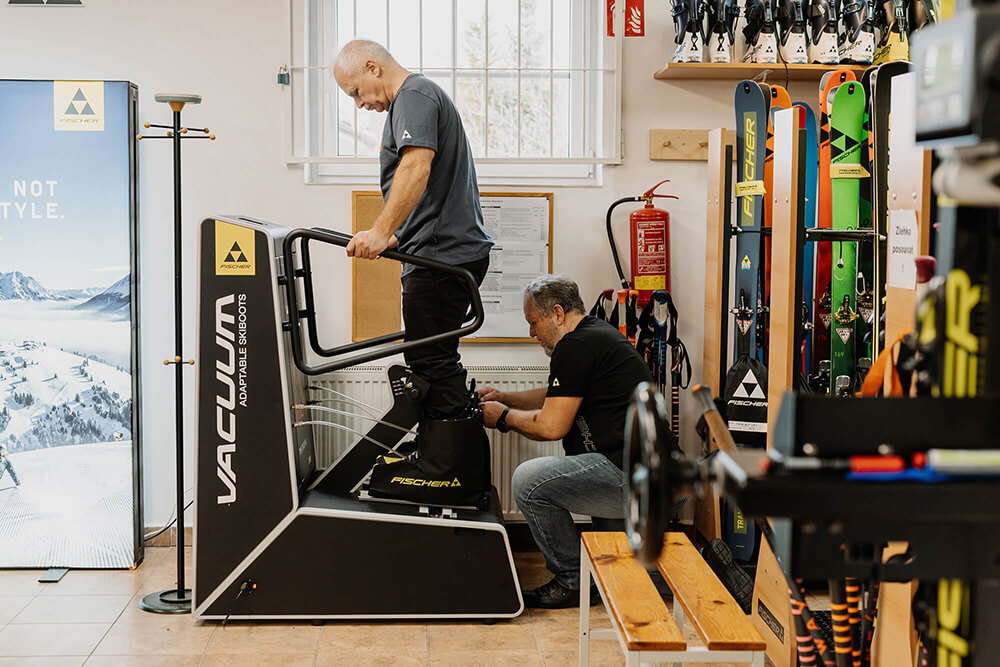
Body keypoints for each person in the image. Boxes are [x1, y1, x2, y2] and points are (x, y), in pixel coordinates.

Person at [478, 275, 665, 609]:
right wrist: (505, 397)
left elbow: (551, 426)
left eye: (534, 322)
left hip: (632, 476)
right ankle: (686, 572)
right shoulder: (593, 335)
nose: (531, 332)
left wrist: (502, 417)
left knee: (528, 482)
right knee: (624, 575)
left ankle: (572, 581)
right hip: (647, 471)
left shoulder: (574, 346)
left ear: (557, 313)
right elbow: (560, 394)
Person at [332, 39, 493, 421]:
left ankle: (449, 453)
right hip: (441, 250)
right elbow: (434, 191)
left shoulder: (414, 95)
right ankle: (444, 448)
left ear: (372, 68)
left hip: (441, 256)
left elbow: (416, 168)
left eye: (356, 92)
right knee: (432, 359)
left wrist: (379, 231)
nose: (359, 104)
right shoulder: (414, 99)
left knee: (430, 363)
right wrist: (396, 236)